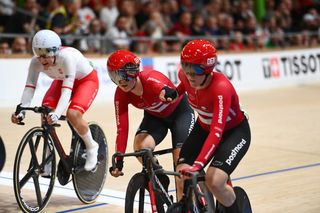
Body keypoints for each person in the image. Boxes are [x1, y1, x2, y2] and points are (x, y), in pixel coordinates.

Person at [161, 40, 251, 212]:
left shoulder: (221, 88)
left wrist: (199, 164)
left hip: (232, 132)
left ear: (208, 69)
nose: (189, 75)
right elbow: (184, 85)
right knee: (182, 172)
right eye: (186, 67)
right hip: (203, 128)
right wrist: (175, 93)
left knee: (214, 180)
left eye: (194, 69)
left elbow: (217, 131)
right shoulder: (185, 76)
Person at [107, 49, 195, 198]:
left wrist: (164, 91)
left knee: (180, 165)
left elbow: (161, 86)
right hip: (155, 118)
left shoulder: (150, 78)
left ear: (133, 71)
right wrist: (119, 160)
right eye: (114, 76)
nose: (120, 81)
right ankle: (160, 178)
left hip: (181, 114)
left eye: (122, 75)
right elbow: (122, 129)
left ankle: (185, 202)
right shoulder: (121, 93)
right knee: (140, 148)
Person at [11, 29, 99, 172]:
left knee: (73, 114)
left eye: (45, 55)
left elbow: (66, 92)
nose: (42, 60)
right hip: (61, 81)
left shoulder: (67, 58)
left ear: (55, 51)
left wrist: (58, 113)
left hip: (85, 81)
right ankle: (48, 157)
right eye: (38, 55)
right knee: (45, 110)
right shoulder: (35, 62)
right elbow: (29, 87)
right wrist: (21, 111)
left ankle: (91, 146)